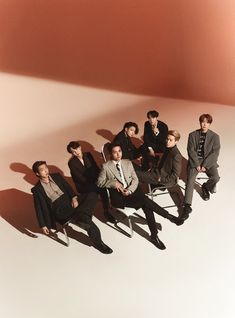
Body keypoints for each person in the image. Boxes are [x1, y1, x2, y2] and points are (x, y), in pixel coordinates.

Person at [97, 143, 184, 250]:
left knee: (146, 204)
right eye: (115, 152)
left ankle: (154, 235)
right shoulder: (106, 167)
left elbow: (135, 179)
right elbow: (99, 183)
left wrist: (129, 190)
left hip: (131, 192)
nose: (118, 154)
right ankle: (168, 218)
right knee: (145, 202)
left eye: (119, 151)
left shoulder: (127, 162)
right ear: (110, 154)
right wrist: (113, 183)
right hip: (119, 198)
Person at [31, 161, 113, 254]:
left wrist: (74, 198)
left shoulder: (57, 176)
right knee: (88, 222)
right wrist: (43, 225)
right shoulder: (37, 189)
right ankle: (99, 244)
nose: (46, 171)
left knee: (92, 194)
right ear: (37, 173)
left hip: (69, 202)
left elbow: (68, 188)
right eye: (42, 170)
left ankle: (83, 213)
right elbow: (38, 207)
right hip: (60, 210)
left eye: (46, 168)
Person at [136, 130, 184, 214]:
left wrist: (160, 179)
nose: (167, 141)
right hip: (156, 172)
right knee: (141, 163)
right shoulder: (168, 148)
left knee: (134, 174)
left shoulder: (176, 155)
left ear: (176, 141)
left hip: (160, 177)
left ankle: (132, 197)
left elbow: (175, 175)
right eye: (167, 139)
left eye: (170, 140)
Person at [67, 141, 116, 223]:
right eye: (73, 152)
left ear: (80, 147)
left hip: (94, 181)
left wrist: (101, 178)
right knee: (101, 188)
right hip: (83, 185)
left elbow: (95, 168)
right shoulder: (71, 163)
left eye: (77, 149)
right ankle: (105, 212)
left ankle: (109, 207)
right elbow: (80, 178)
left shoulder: (88, 154)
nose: (76, 152)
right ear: (72, 153)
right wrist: (97, 183)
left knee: (105, 183)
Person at [183, 114, 220, 217]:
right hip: (195, 161)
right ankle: (187, 205)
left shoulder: (215, 137)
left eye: (207, 122)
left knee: (216, 177)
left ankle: (206, 187)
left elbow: (215, 153)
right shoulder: (192, 135)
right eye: (203, 122)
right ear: (200, 122)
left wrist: (206, 165)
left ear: (209, 124)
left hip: (209, 161)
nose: (204, 124)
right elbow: (190, 150)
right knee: (190, 180)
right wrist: (196, 164)